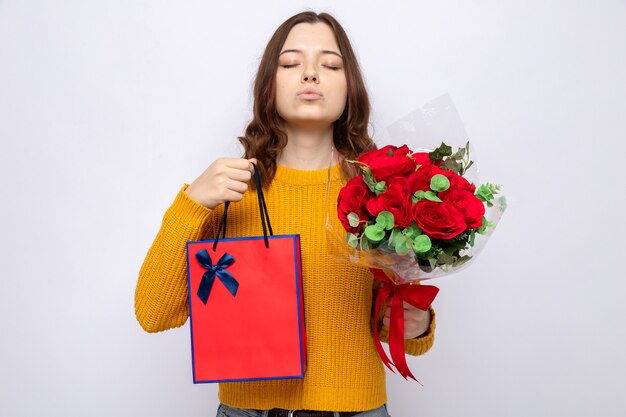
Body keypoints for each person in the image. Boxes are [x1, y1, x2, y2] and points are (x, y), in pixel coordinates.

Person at [135, 11, 435, 417]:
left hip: (355, 409)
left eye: (329, 64)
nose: (310, 74)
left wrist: (415, 324)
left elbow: (406, 328)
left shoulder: (378, 196)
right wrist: (191, 202)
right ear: (268, 86)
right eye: (291, 63)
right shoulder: (229, 192)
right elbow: (154, 314)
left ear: (350, 87)